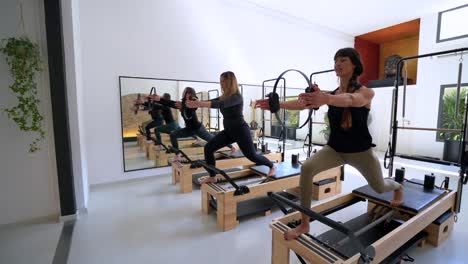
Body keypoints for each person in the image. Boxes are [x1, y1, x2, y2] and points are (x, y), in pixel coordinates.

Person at [256, 47, 403, 240]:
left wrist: (326, 98)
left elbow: (352, 100)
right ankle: (305, 224)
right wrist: (278, 105)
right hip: (334, 149)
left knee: (380, 187)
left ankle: (398, 186)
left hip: (361, 152)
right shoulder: (330, 94)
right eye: (336, 61)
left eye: (343, 60)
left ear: (354, 65)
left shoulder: (366, 92)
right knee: (307, 168)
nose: (338, 64)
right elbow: (303, 104)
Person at [186, 71, 276, 183]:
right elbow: (211, 101)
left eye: (223, 81)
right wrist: (196, 103)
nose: (221, 83)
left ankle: (271, 166)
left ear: (230, 82)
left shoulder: (237, 97)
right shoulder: (224, 96)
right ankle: (212, 176)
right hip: (229, 131)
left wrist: (199, 104)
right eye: (220, 81)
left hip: (240, 130)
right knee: (208, 148)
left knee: (252, 156)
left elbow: (220, 104)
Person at [151, 87, 236, 162]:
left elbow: (194, 107)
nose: (187, 95)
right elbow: (170, 103)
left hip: (198, 129)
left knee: (213, 140)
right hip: (189, 129)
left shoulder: (193, 103)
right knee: (173, 135)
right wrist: (159, 99)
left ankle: (232, 147)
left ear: (192, 95)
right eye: (185, 93)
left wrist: (190, 103)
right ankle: (177, 155)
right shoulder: (181, 104)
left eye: (189, 93)